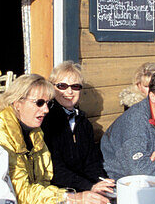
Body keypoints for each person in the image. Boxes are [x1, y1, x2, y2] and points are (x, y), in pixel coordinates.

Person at [0, 74, 109, 204]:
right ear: (17, 103)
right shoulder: (0, 138)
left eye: (48, 103)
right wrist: (73, 199)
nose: (46, 110)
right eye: (39, 103)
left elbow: (44, 179)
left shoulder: (34, 132)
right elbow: (20, 195)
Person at [41, 61, 113, 193]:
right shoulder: (46, 122)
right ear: (52, 88)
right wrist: (89, 186)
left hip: (82, 187)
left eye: (75, 86)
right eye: (62, 86)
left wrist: (101, 181)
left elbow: (91, 162)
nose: (69, 91)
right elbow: (54, 169)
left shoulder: (83, 123)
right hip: (58, 192)